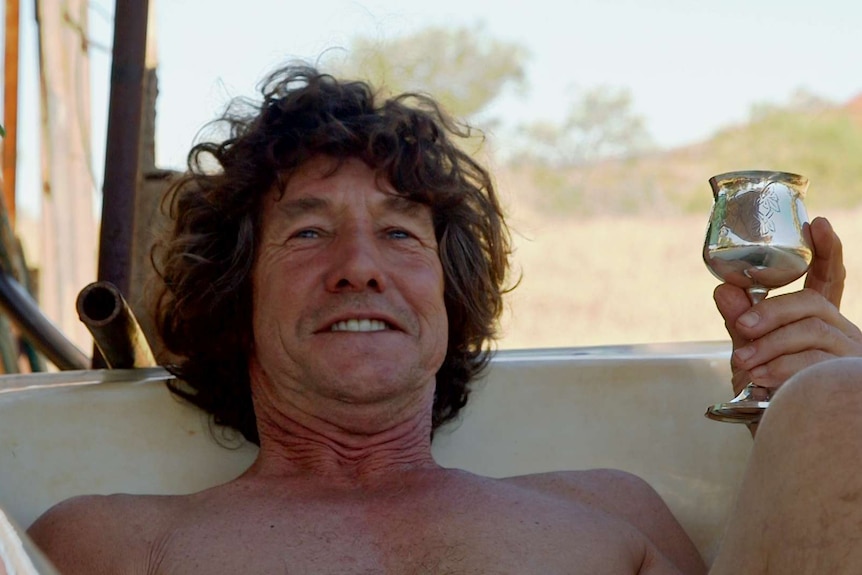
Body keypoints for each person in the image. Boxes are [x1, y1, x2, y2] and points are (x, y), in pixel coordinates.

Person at [25, 63, 862, 574]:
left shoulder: (615, 518)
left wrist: (809, 445)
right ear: (238, 297)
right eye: (310, 232)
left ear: (447, 299)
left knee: (839, 404)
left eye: (398, 232)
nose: (360, 266)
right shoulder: (115, 545)